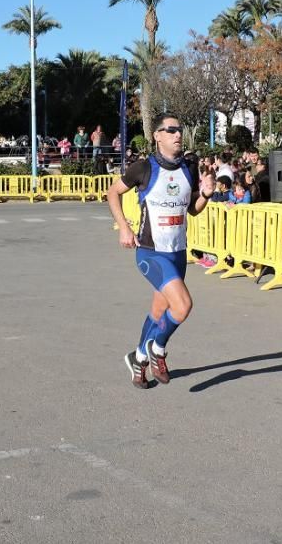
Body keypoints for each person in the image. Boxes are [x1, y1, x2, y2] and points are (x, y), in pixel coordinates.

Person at [106, 113, 215, 389]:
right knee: (183, 305)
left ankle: (139, 357)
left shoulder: (189, 167)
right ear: (157, 136)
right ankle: (158, 350)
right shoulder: (142, 168)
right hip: (151, 252)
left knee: (159, 311)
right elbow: (112, 192)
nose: (178, 135)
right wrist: (123, 227)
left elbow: (192, 210)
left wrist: (205, 195)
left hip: (178, 252)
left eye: (180, 130)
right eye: (171, 130)